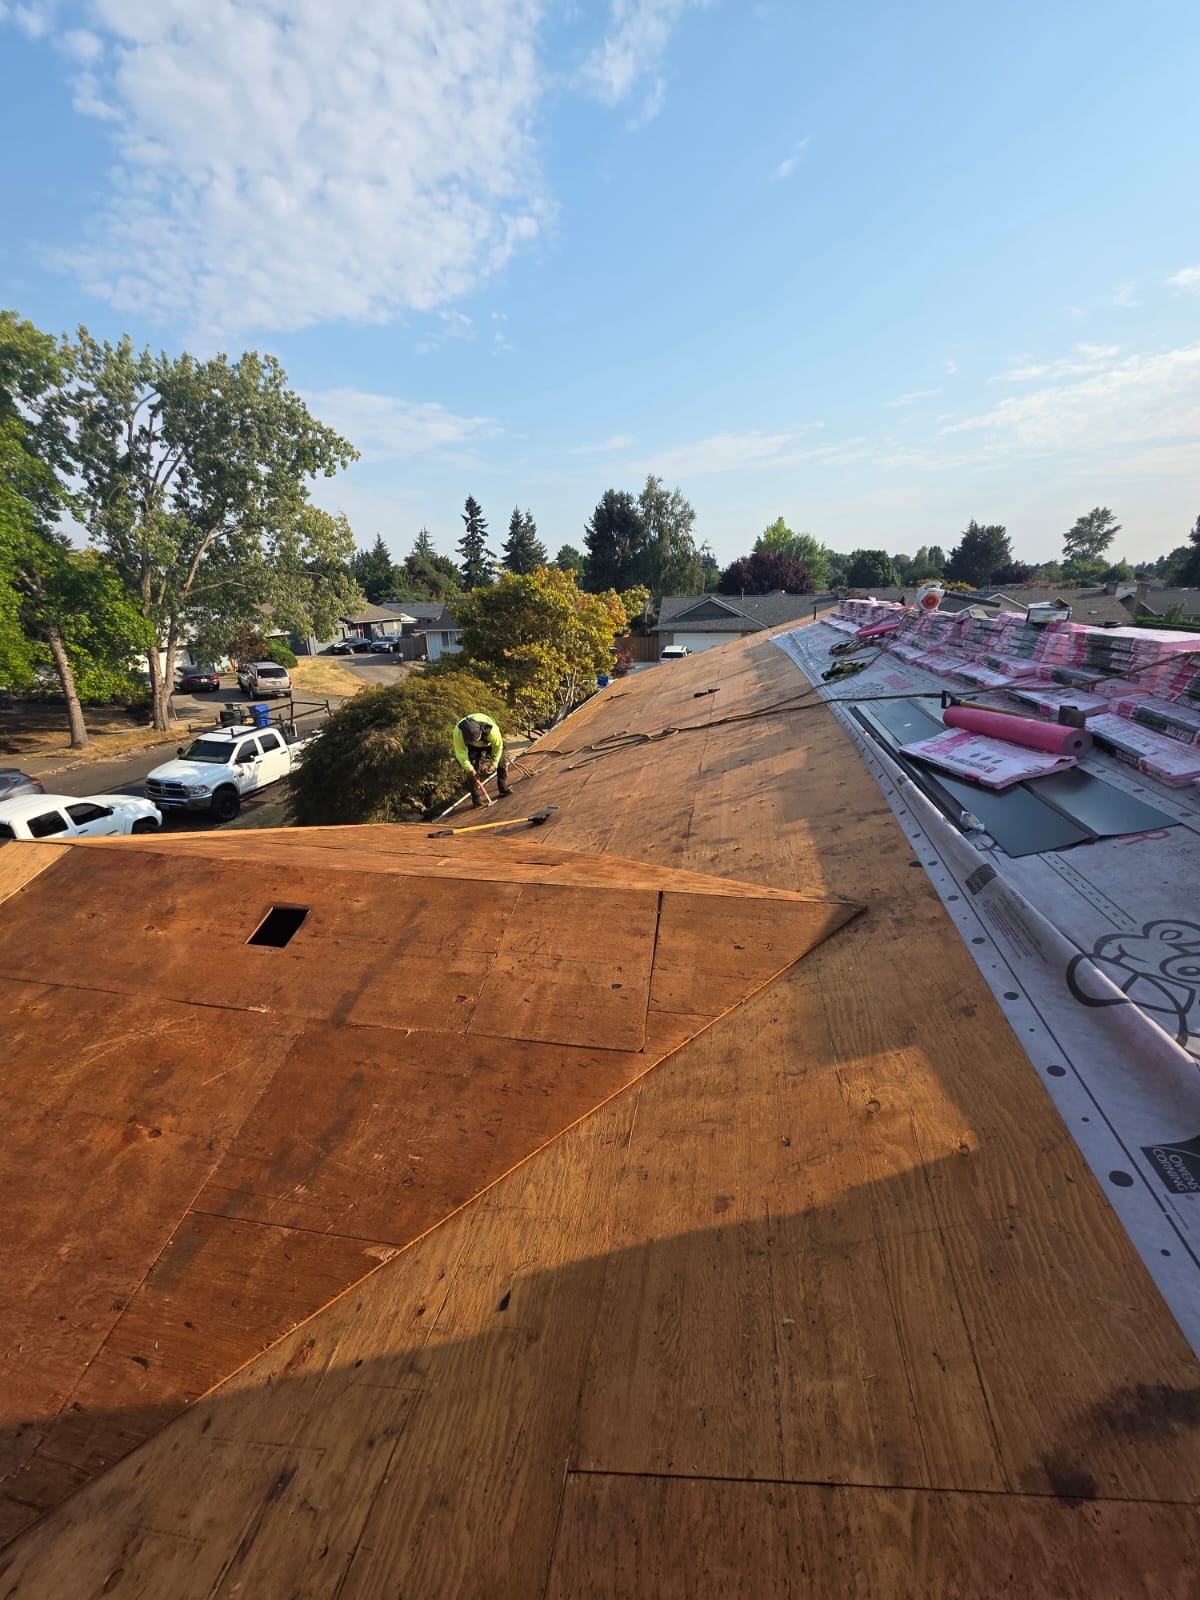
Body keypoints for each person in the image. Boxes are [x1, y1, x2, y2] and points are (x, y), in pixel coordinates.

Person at [452, 712, 511, 807]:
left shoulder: (492, 730)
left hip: (489, 743)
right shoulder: (458, 733)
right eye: (472, 740)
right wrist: (470, 769)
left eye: (476, 739)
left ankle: (503, 788)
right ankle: (476, 799)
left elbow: (497, 748)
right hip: (471, 748)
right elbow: (461, 754)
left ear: (480, 731)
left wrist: (494, 764)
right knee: (471, 772)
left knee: (501, 760)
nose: (475, 742)